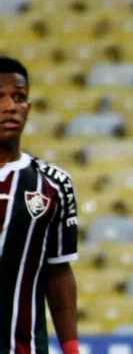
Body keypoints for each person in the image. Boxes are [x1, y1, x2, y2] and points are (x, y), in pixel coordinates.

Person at [0, 56, 80, 354]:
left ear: (28, 108)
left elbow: (59, 273)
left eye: (19, 98)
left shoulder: (54, 183)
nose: (10, 107)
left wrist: (71, 348)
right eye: (0, 98)